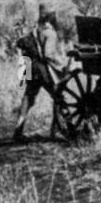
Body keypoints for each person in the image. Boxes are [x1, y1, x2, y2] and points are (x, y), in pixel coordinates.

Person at [14, 10, 65, 142]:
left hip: (30, 66)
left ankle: (18, 130)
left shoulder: (36, 30)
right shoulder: (50, 33)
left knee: (28, 97)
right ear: (52, 18)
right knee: (59, 96)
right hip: (42, 69)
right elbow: (48, 54)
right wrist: (61, 64)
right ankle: (55, 131)